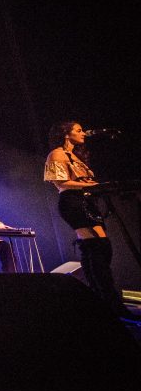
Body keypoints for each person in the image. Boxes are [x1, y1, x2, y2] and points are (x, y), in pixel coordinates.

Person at [44, 121, 133, 318]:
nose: (83, 133)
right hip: (72, 202)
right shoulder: (57, 154)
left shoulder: (76, 156)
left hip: (87, 201)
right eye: (78, 130)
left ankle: (101, 296)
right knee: (98, 245)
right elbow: (61, 182)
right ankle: (107, 300)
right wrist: (88, 186)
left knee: (99, 246)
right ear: (66, 134)